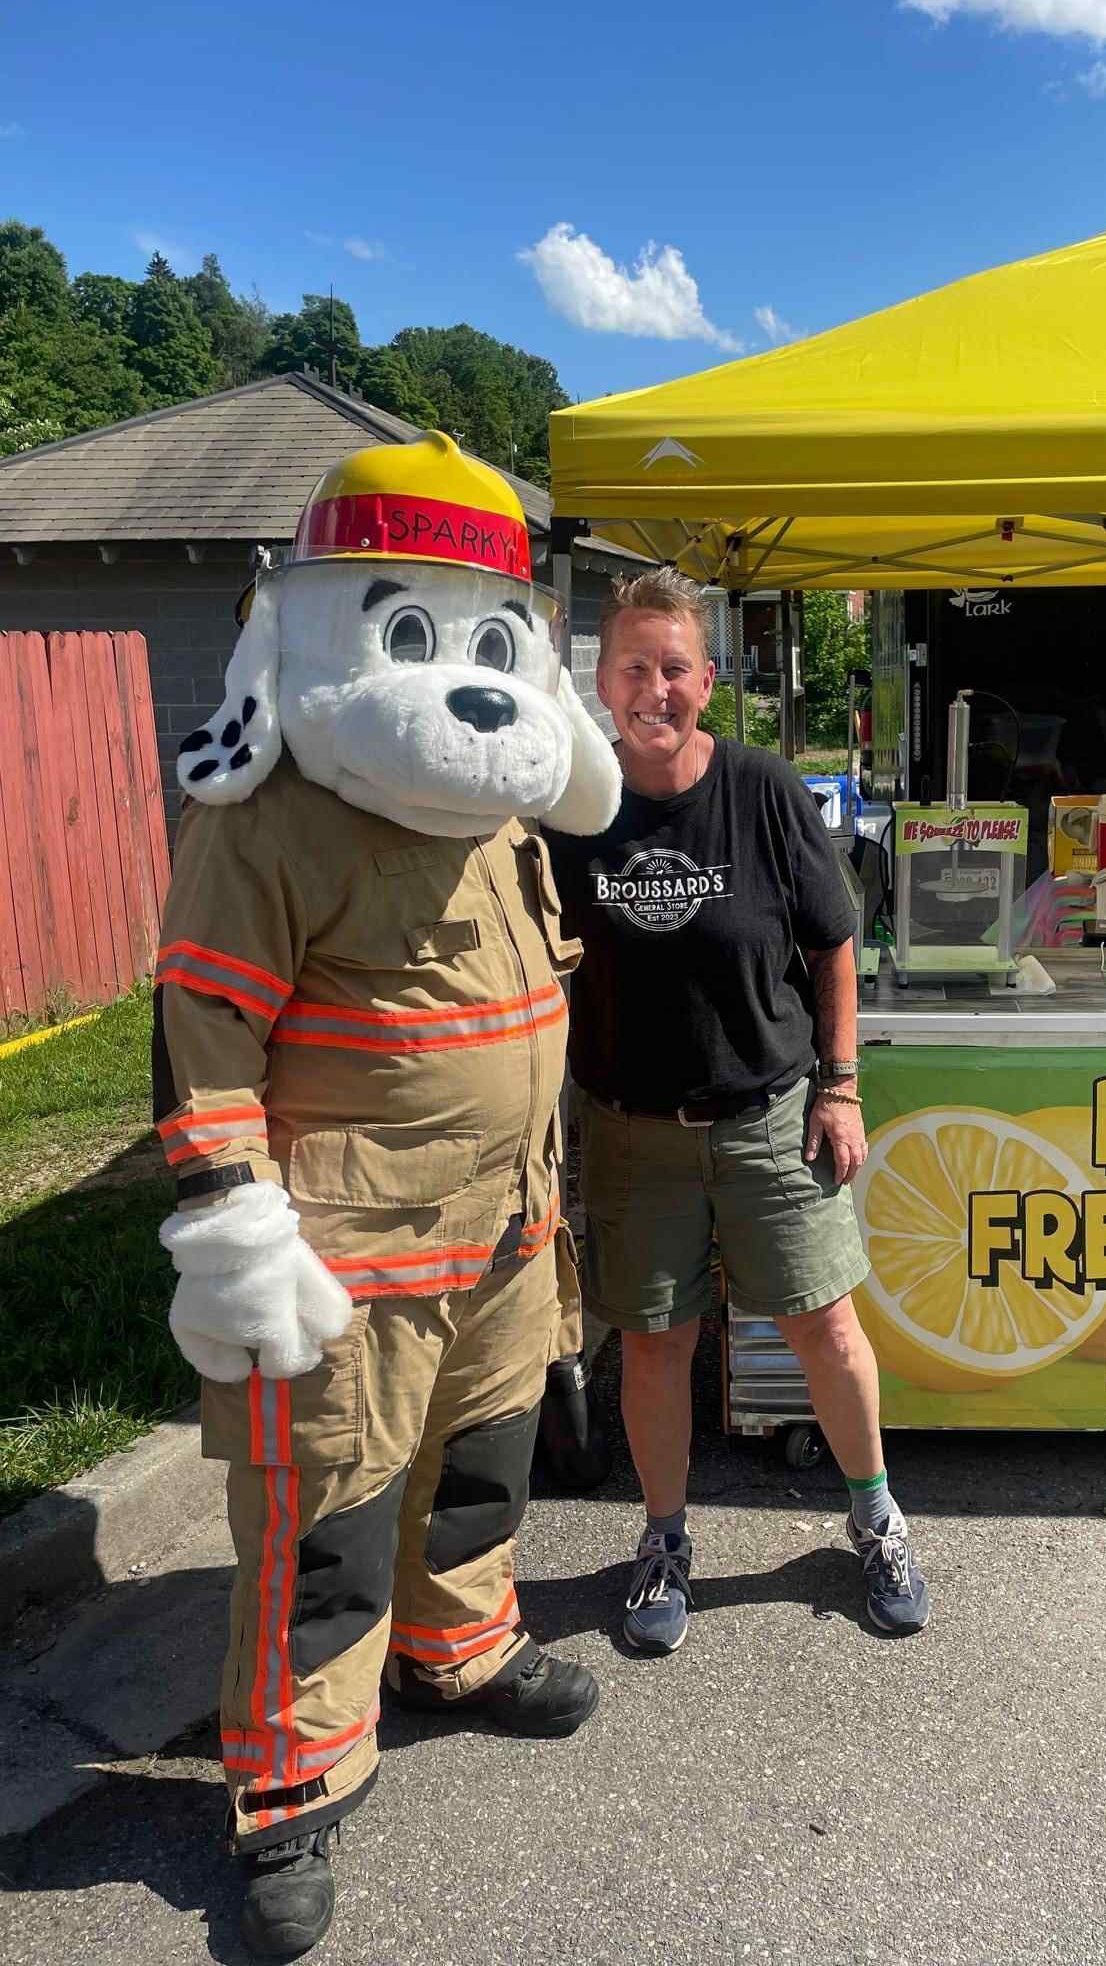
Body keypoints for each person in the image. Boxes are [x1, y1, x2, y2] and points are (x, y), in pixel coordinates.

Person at [152, 434, 621, 1957]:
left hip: (503, 1223)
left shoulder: (494, 797)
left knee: (483, 1470)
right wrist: (232, 1218)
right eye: (412, 633)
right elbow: (201, 1031)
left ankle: (461, 1651)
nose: (466, 685)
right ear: (326, 626)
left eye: (487, 642)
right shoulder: (273, 817)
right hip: (348, 1251)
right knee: (326, 1520)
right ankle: (289, 1784)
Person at [545, 568, 930, 1652]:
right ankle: (664, 1539)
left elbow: (831, 940)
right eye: (633, 666)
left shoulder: (764, 789)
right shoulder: (575, 811)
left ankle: (874, 1513)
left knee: (823, 1323)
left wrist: (843, 1085)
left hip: (772, 1114)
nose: (653, 688)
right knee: (657, 1343)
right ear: (602, 676)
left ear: (706, 678)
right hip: (630, 1129)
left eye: (674, 666)